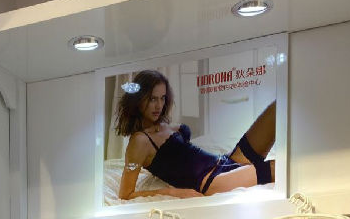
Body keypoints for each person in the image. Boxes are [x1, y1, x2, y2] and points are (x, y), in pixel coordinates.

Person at [115, 69, 276, 200]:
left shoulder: (162, 126)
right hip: (212, 181)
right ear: (138, 100)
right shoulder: (139, 141)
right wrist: (173, 192)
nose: (159, 105)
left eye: (162, 98)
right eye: (152, 99)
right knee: (280, 168)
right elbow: (125, 194)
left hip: (226, 161)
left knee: (276, 108)